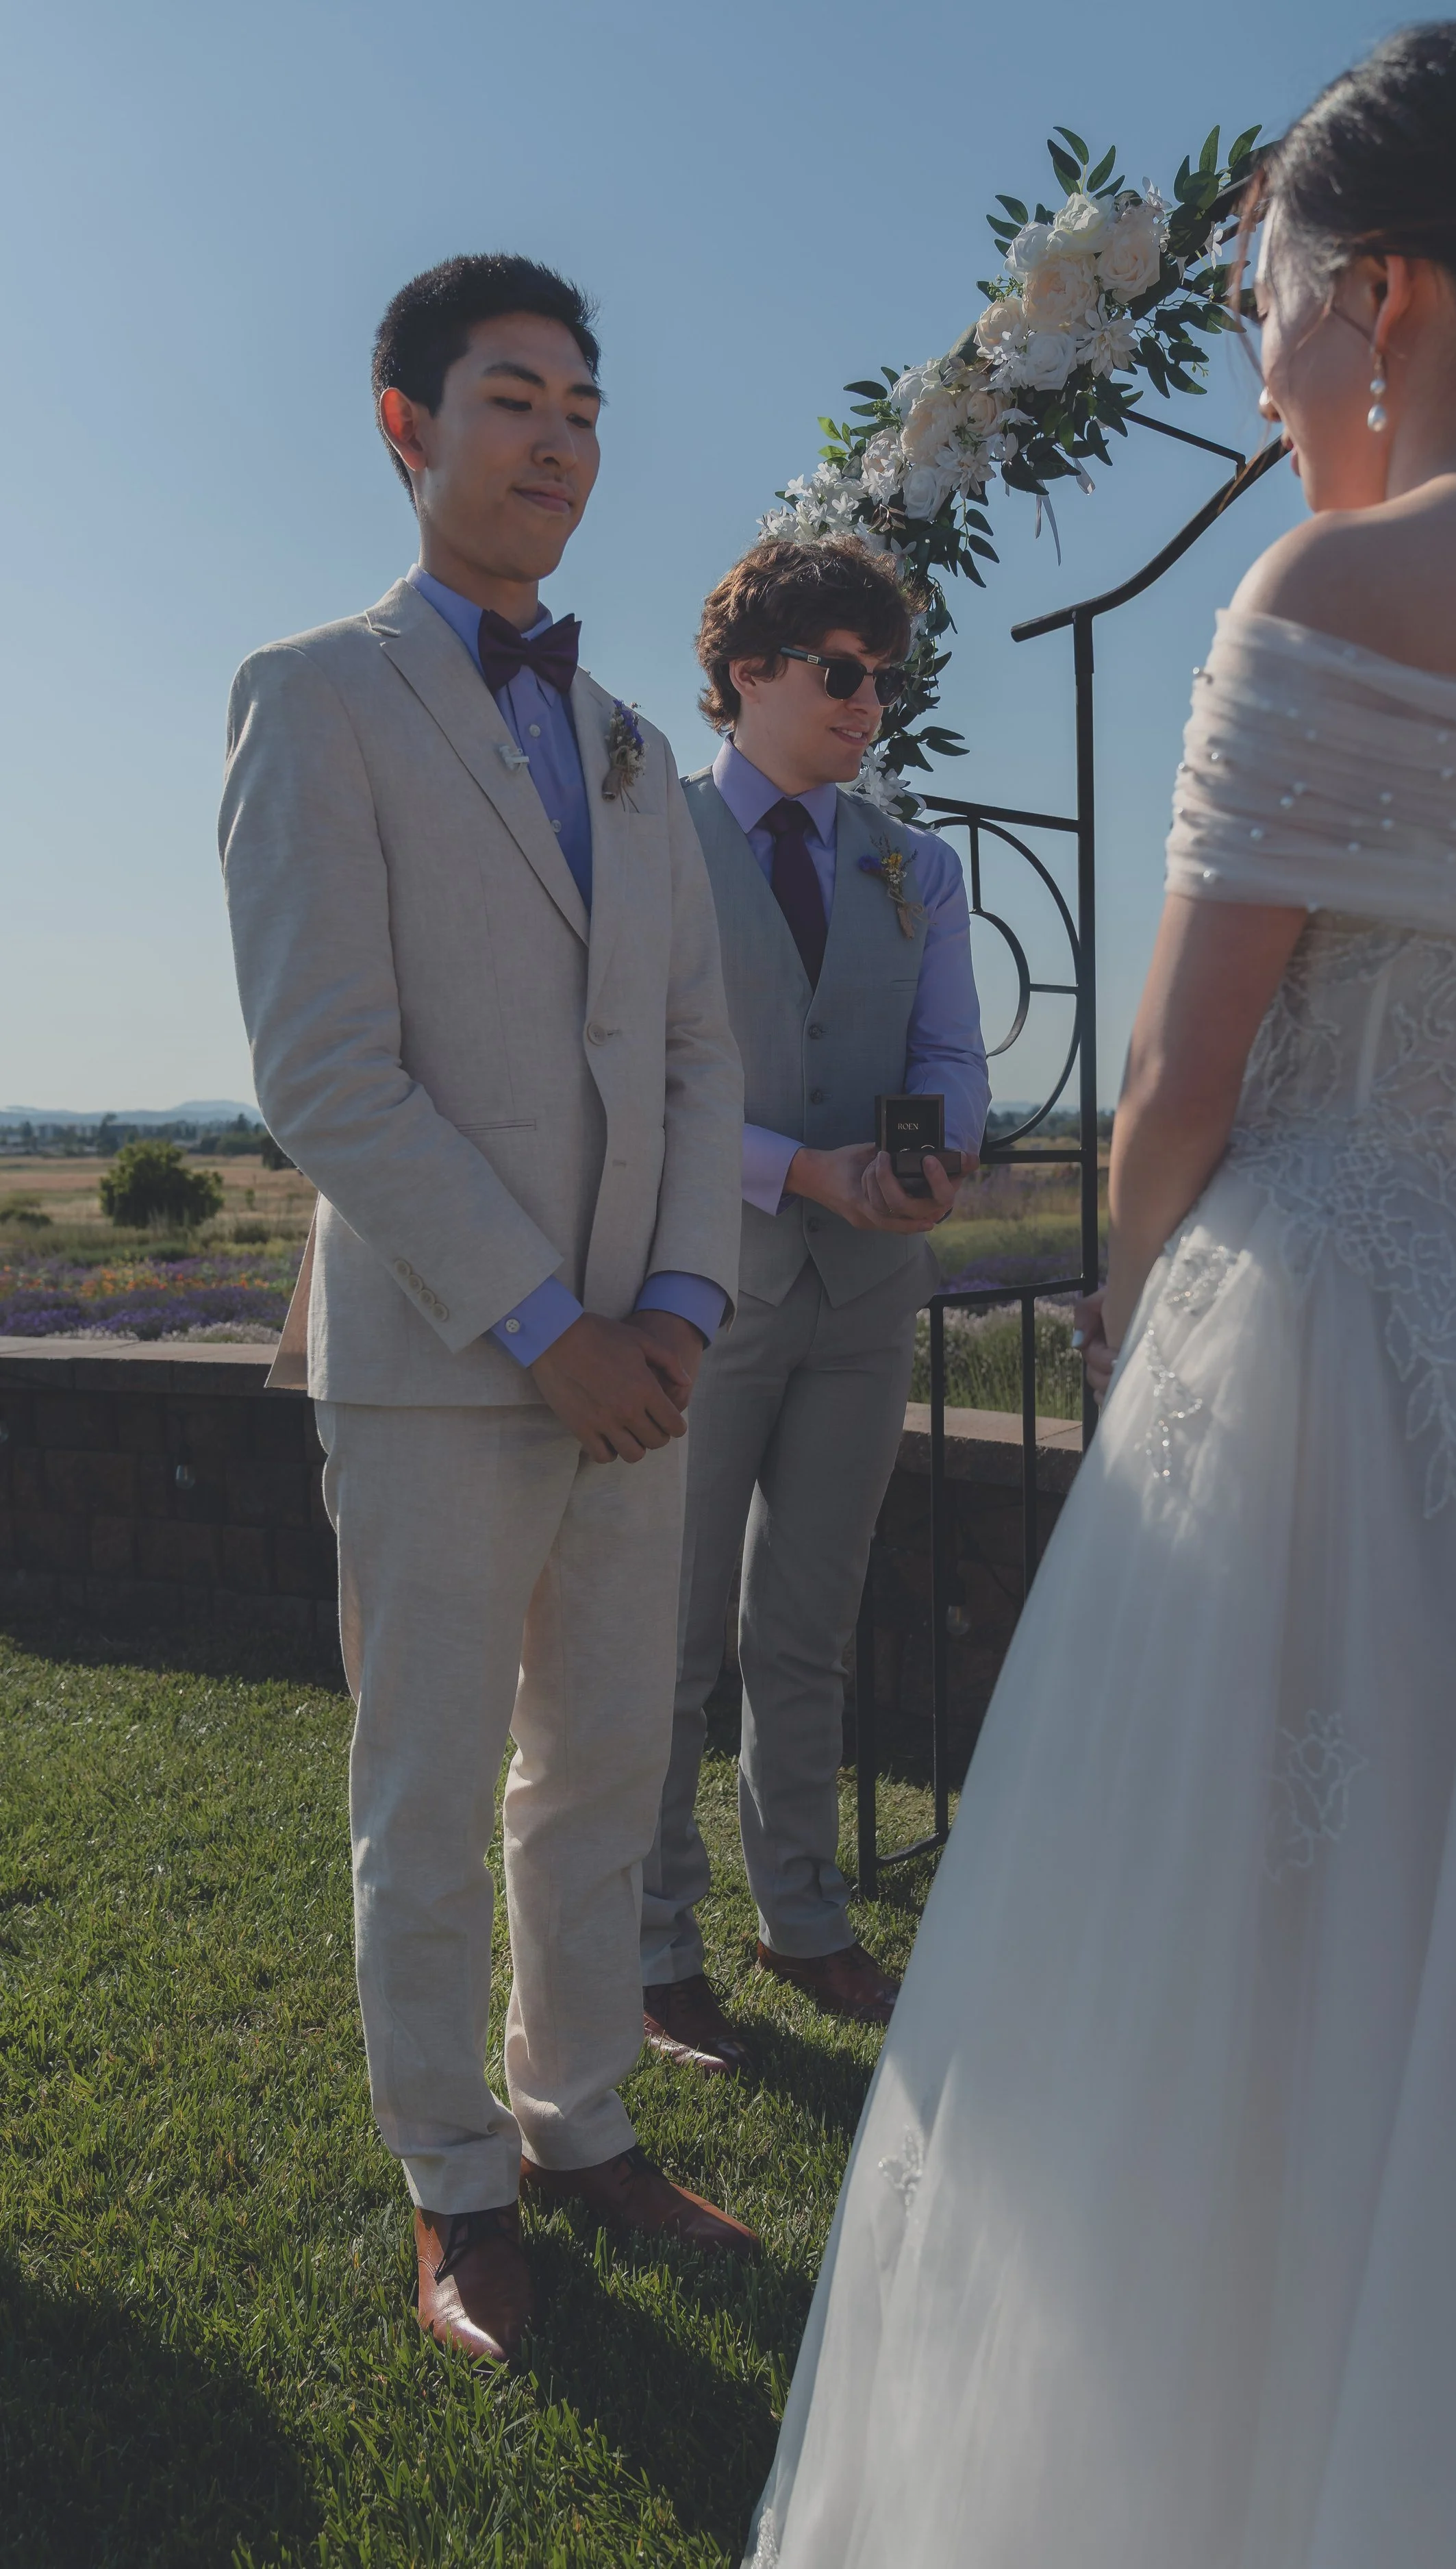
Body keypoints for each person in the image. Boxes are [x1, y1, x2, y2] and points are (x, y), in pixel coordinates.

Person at [746, 27, 1456, 2564]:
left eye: (1286, 284)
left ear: (1384, 285)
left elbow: (1185, 1068)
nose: (1269, 324)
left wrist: (1128, 1302)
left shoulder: (1329, 591)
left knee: (1217, 2002)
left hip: (1299, 1324)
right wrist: (1333, 467)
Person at [221, 253, 756, 2373]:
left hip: (651, 1363)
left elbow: (707, 1052)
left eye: (583, 407)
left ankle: (582, 2114)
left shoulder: (634, 745)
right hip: (452, 1362)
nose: (558, 441)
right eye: (512, 398)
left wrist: (687, 1303)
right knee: (429, 1783)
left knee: (606, 1766)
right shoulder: (316, 693)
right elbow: (325, 1067)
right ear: (404, 425)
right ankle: (452, 2180)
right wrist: (545, 1319)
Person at [640, 539, 990, 2072]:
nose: (866, 700)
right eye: (837, 670)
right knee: (665, 1639)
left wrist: (940, 1158)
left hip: (867, 1293)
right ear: (744, 679)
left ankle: (802, 1916)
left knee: (808, 1624)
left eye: (881, 676)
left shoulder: (920, 869)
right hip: (697, 1281)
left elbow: (952, 1056)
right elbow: (634, 1082)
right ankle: (653, 1946)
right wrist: (800, 1172)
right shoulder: (648, 843)